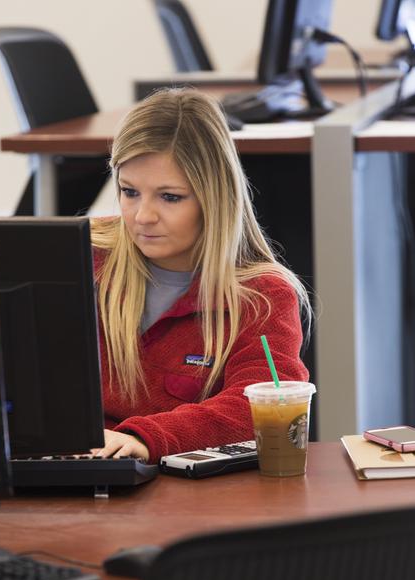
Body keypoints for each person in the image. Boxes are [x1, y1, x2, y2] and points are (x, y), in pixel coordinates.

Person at [90, 87, 311, 463]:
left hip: (187, 493)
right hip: (78, 476)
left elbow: (259, 406)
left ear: (214, 197)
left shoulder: (261, 295)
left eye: (170, 197)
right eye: (129, 192)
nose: (143, 216)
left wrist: (148, 437)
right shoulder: (87, 256)